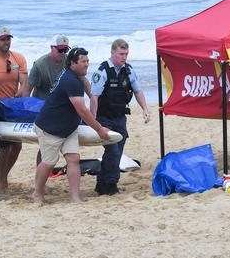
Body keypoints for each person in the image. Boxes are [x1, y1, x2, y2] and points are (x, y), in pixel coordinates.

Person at [32, 47, 110, 204]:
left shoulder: (76, 76)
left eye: (88, 61)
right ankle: (37, 193)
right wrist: (99, 129)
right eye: (83, 61)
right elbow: (82, 111)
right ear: (72, 63)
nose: (87, 64)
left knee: (74, 158)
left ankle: (75, 197)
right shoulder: (70, 80)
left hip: (69, 128)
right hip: (50, 128)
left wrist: (94, 101)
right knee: (49, 162)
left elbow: (88, 88)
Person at [90, 38, 151, 196]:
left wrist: (145, 108)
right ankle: (111, 183)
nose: (124, 57)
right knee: (113, 151)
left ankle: (101, 183)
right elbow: (94, 96)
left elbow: (137, 91)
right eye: (121, 54)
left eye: (126, 54)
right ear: (112, 53)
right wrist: (93, 120)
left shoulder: (128, 70)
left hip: (120, 117)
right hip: (104, 117)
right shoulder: (102, 71)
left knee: (116, 151)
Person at [0, 26, 28, 193]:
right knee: (4, 147)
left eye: (8, 38)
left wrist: (19, 95)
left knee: (17, 147)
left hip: (14, 107)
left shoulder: (18, 58)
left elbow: (24, 82)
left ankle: (4, 176)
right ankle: (1, 181)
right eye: (3, 39)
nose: (7, 42)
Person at [26, 34, 70, 99]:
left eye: (65, 50)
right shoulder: (39, 65)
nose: (63, 53)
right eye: (60, 50)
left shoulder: (69, 61)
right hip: (42, 104)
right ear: (51, 47)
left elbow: (82, 79)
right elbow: (28, 89)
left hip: (60, 103)